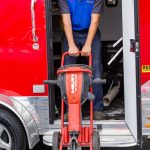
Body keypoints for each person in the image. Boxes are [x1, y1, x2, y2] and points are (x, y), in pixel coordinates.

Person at [59, 0, 104, 120]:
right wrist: (71, 44)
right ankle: (71, 109)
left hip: (90, 32)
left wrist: (88, 44)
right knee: (68, 71)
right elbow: (66, 21)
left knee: (95, 68)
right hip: (71, 32)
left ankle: (97, 108)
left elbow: (95, 21)